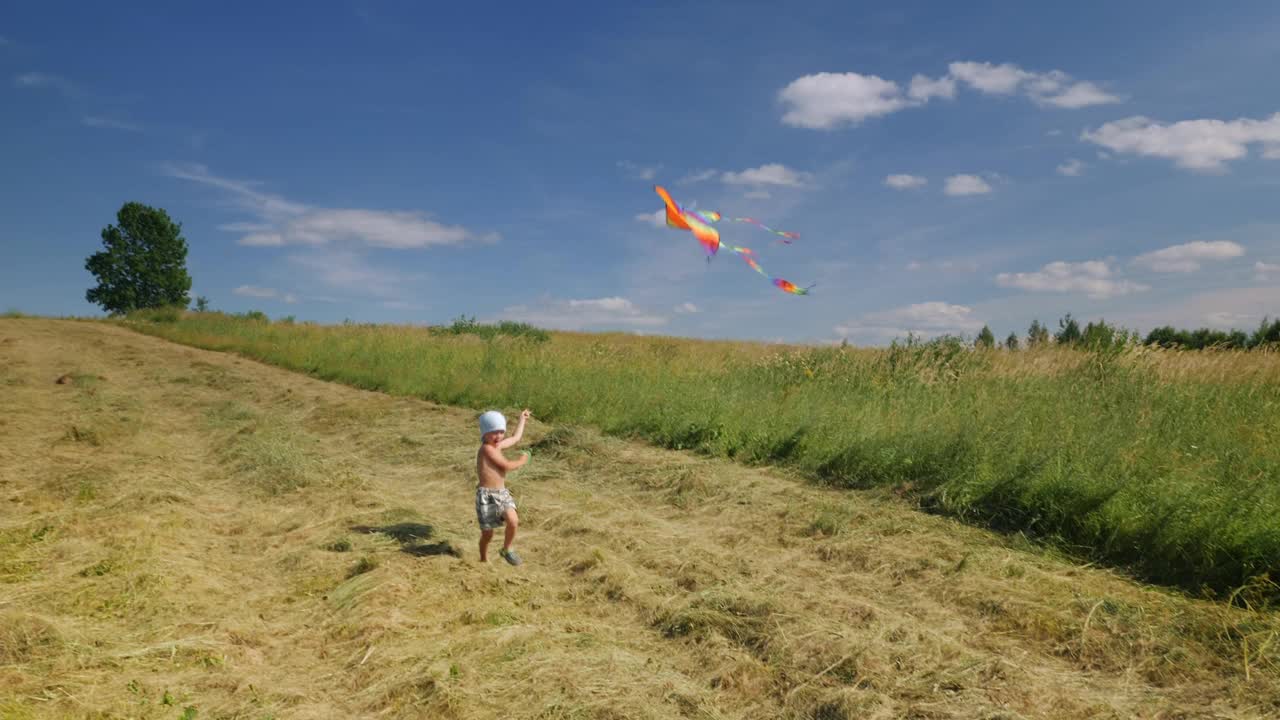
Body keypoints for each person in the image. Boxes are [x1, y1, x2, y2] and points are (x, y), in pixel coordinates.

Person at [475, 409, 531, 565]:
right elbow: (506, 466)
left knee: (513, 521)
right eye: (494, 432)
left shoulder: (497, 446)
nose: (498, 436)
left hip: (501, 493)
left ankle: (506, 549)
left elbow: (515, 437)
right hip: (486, 496)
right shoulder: (487, 449)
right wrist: (522, 460)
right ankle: (483, 559)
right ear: (484, 434)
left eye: (501, 432)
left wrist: (522, 419)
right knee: (488, 535)